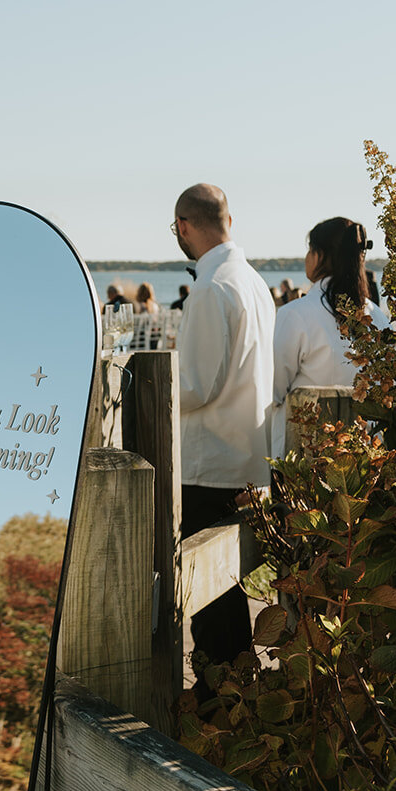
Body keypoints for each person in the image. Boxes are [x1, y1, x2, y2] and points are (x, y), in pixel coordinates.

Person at [170, 182, 276, 694]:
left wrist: (148, 381)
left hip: (208, 460)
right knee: (227, 591)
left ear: (185, 226)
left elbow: (195, 386)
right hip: (246, 455)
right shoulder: (254, 282)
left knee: (207, 600)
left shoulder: (212, 289)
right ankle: (240, 701)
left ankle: (218, 706)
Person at [271, 217, 389, 457]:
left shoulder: (295, 315)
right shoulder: (377, 317)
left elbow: (272, 390)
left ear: (320, 255)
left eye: (309, 250)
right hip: (368, 458)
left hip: (304, 458)